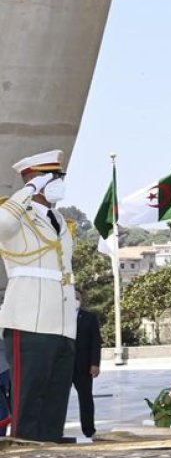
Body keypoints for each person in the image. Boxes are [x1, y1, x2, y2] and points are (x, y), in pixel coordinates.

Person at [0, 150, 76, 441]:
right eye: (53, 177)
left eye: (60, 176)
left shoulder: (59, 220)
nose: (60, 182)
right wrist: (28, 190)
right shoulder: (17, 217)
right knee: (28, 401)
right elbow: (2, 224)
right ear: (36, 181)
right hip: (29, 322)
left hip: (62, 324)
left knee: (54, 404)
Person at [71, 290, 101, 437]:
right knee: (58, 400)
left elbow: (96, 342)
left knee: (86, 398)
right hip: (63, 366)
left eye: (77, 298)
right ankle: (54, 429)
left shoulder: (89, 318)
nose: (75, 300)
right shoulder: (61, 318)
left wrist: (95, 363)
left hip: (83, 366)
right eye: (72, 297)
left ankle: (89, 430)